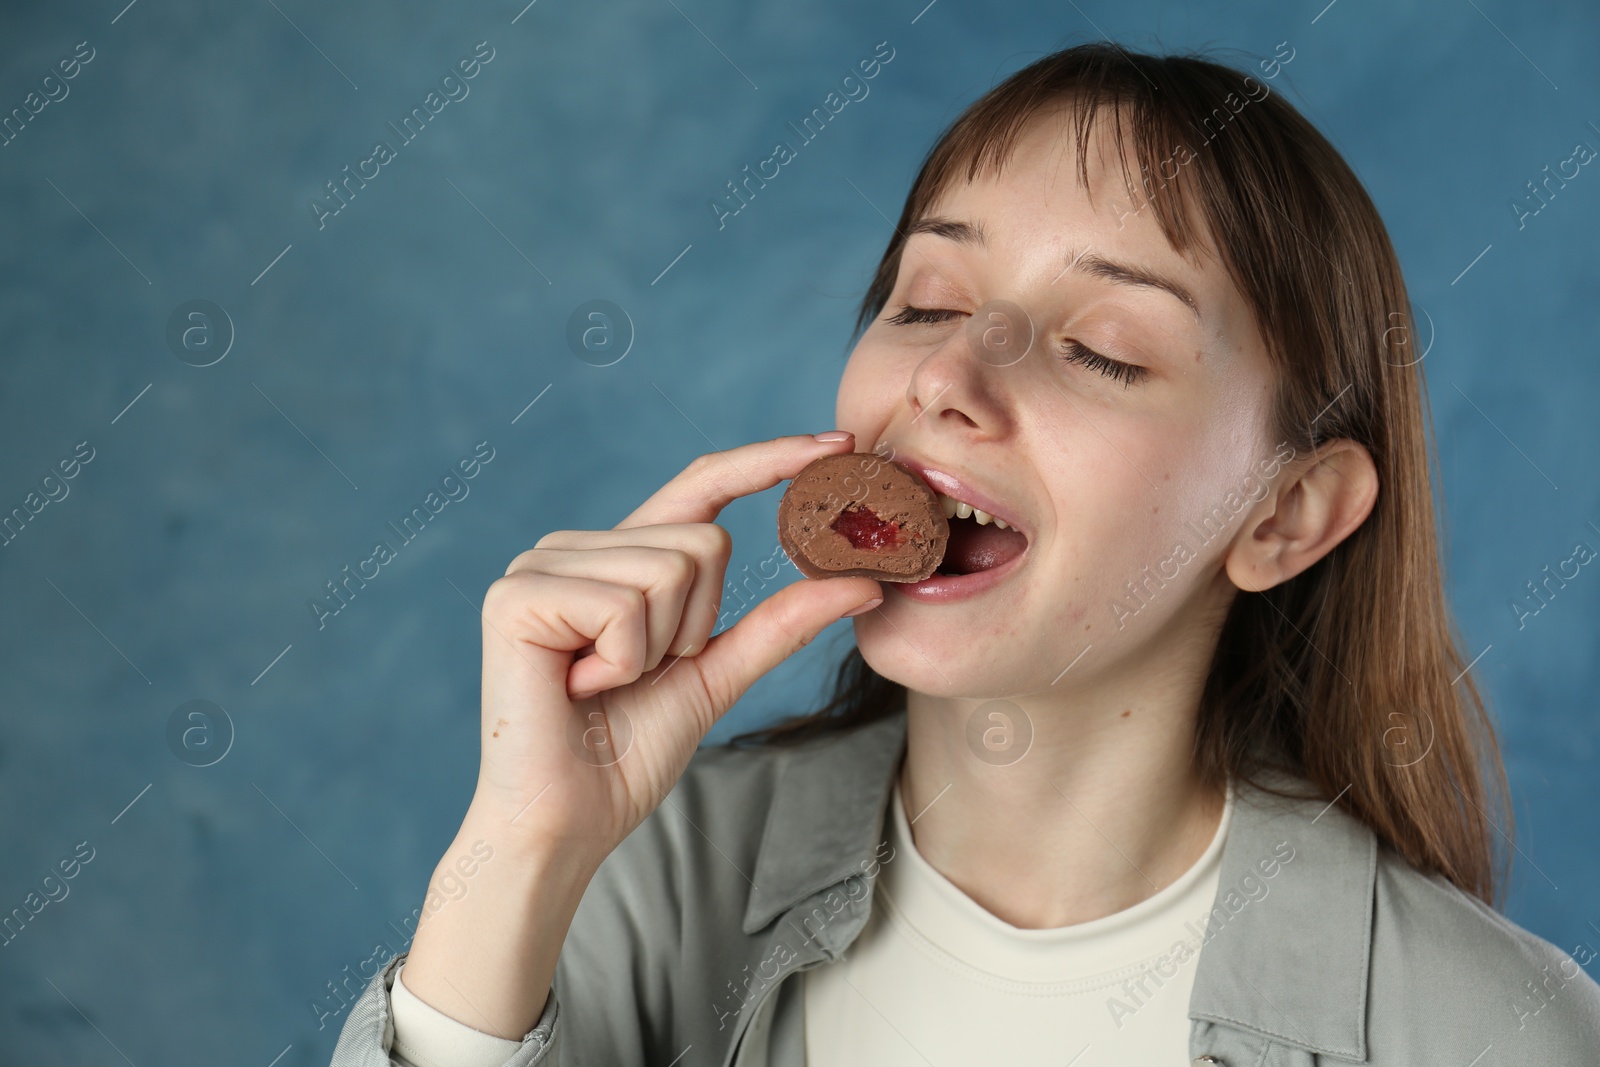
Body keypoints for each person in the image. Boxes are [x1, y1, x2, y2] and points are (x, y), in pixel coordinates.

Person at [329, 41, 1600, 1066]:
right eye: (924, 303)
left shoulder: (1492, 1032)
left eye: (1103, 344)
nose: (943, 372)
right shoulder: (636, 876)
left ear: (1284, 516)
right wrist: (520, 845)